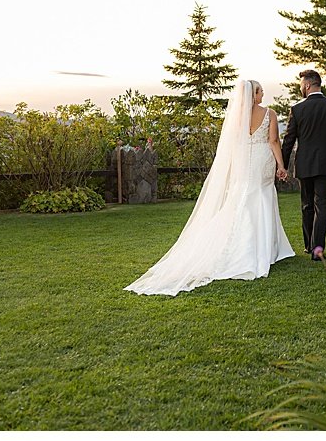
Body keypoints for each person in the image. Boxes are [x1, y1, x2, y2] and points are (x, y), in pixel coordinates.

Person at [125, 78, 295, 295]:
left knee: (241, 199)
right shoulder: (269, 113)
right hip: (262, 159)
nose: (263, 95)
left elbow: (232, 144)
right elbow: (273, 141)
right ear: (254, 94)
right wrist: (281, 165)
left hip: (243, 161)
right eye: (261, 91)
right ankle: (264, 250)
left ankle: (243, 246)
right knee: (261, 197)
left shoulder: (236, 117)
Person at [278, 68, 326, 261]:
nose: (301, 88)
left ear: (308, 85)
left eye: (301, 85)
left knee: (307, 205)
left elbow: (289, 141)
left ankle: (309, 246)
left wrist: (282, 165)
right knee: (323, 206)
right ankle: (317, 250)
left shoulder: (297, 109)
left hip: (305, 165)